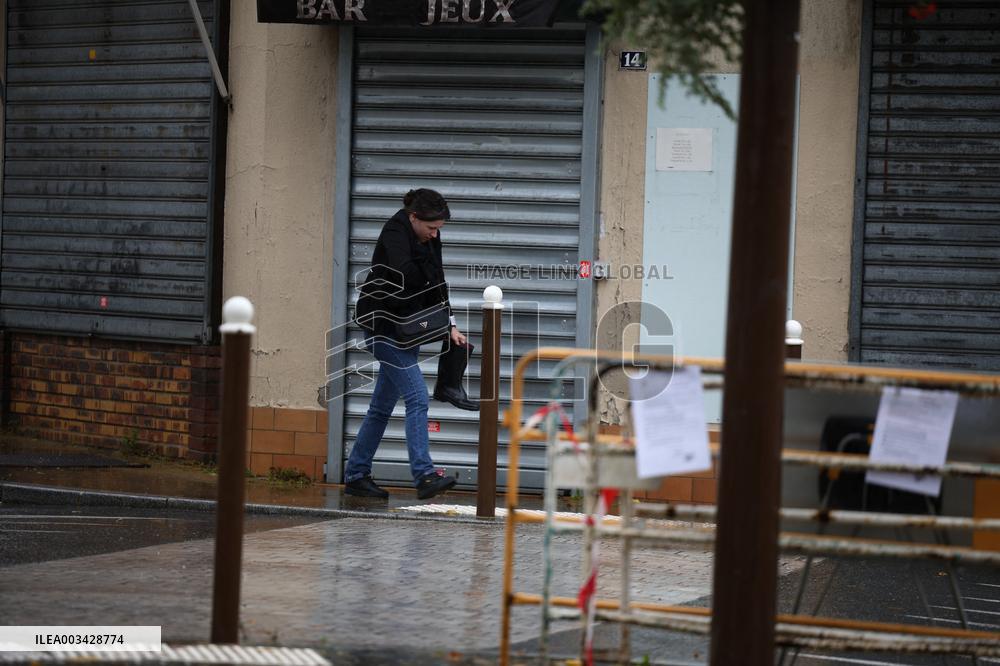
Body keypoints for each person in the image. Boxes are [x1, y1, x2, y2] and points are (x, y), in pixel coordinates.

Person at [347, 188, 477, 500]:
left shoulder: (428, 237)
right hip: (382, 328)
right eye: (431, 228)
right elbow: (405, 276)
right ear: (414, 217)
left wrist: (451, 325)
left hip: (408, 329)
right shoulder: (395, 232)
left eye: (439, 230)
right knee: (418, 397)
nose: (435, 235)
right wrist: (427, 264)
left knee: (381, 407)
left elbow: (439, 280)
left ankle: (356, 474)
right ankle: (424, 475)